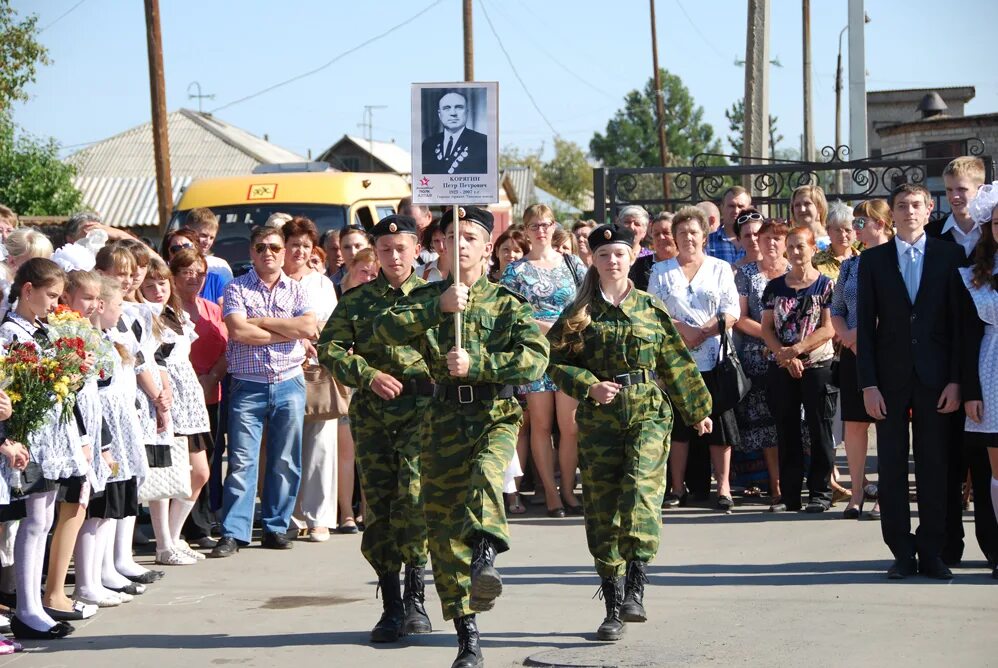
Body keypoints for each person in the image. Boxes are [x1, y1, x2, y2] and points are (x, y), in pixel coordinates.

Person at [373, 206, 548, 668]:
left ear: (488, 247)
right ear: (440, 246)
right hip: (442, 415)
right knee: (446, 532)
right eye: (452, 235)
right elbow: (384, 329)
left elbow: (535, 359)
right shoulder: (429, 297)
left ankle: (486, 553)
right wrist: (438, 307)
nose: (462, 243)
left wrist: (482, 365)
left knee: (489, 476)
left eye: (471, 235)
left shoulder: (507, 303)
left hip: (494, 411)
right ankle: (467, 636)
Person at [547, 223, 712, 642]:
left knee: (640, 492)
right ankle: (612, 604)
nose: (612, 261)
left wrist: (696, 410)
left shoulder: (649, 307)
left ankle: (636, 588)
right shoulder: (578, 312)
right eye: (603, 255)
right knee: (602, 509)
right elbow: (552, 363)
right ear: (593, 260)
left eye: (619, 253)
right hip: (599, 420)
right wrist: (588, 385)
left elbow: (675, 361)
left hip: (647, 412)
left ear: (632, 256)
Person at [319, 214, 434, 643]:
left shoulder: (433, 297)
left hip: (422, 412)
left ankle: (417, 597)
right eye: (385, 250)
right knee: (381, 506)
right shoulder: (356, 300)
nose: (393, 256)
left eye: (401, 248)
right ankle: (391, 605)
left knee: (416, 500)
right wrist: (366, 374)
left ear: (416, 247)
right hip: (374, 416)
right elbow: (328, 348)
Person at [857, 183, 965, 580]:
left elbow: (958, 326)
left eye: (916, 205)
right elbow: (865, 329)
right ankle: (901, 551)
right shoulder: (873, 261)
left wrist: (956, 381)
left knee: (935, 465)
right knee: (891, 466)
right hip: (889, 380)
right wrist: (868, 384)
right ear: (892, 214)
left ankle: (932, 549)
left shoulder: (950, 256)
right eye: (901, 206)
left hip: (937, 380)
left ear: (929, 208)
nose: (909, 212)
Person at [210, 226, 316, 558]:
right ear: (251, 252)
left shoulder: (298, 291)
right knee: (242, 461)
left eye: (273, 247)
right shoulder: (236, 287)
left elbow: (309, 328)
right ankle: (234, 532)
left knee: (285, 459)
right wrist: (287, 331)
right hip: (247, 384)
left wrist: (263, 321)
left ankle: (274, 526)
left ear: (284, 252)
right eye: (260, 247)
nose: (267, 253)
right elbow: (240, 332)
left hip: (289, 382)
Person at [1, 259, 87, 639]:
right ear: (27, 290)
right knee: (33, 521)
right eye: (50, 295)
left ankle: (32, 604)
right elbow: (9, 389)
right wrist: (9, 436)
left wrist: (75, 369)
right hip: (27, 436)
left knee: (43, 520)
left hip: (51, 436)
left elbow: (57, 383)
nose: (55, 303)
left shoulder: (42, 330)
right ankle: (27, 607)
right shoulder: (10, 333)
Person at [928, 157, 994, 568]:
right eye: (949, 189)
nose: (954, 196)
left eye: (962, 190)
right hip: (944, 365)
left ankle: (993, 547)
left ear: (980, 190)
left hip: (987, 361)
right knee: (945, 463)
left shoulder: (990, 239)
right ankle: (946, 546)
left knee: (987, 465)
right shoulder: (935, 237)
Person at [650, 206, 740, 510]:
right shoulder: (661, 271)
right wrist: (683, 331)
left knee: (719, 426)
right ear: (674, 236)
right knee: (679, 428)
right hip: (676, 361)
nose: (687, 237)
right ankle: (677, 487)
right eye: (682, 232)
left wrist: (705, 330)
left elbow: (733, 310)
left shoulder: (720, 268)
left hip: (714, 357)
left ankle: (724, 487)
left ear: (704, 235)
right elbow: (654, 312)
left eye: (693, 232)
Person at [500, 204, 586, 517]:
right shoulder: (516, 270)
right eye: (535, 225)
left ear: (554, 226)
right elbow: (509, 313)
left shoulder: (573, 263)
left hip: (567, 353)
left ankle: (568, 491)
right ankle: (550, 493)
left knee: (570, 426)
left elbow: (586, 304)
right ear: (525, 231)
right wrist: (543, 327)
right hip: (535, 354)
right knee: (540, 424)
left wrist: (567, 330)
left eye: (547, 224)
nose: (541, 230)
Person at [760, 226, 837, 513]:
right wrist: (784, 354)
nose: (795, 252)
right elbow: (767, 328)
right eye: (790, 246)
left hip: (816, 364)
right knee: (786, 428)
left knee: (819, 427)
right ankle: (790, 495)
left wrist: (799, 350)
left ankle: (820, 492)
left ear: (813, 248)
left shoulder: (825, 285)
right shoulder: (775, 287)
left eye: (800, 246)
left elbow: (829, 327)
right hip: (781, 364)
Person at [831, 199, 891, 519]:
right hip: (854, 353)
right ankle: (856, 493)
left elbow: (895, 311)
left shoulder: (894, 261)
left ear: (879, 224)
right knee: (854, 425)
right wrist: (850, 337)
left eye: (859, 223)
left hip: (885, 353)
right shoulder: (850, 266)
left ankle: (886, 493)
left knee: (885, 425)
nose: (854, 229)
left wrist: (861, 336)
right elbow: (837, 309)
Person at [281, 217, 339, 543]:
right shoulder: (272, 280)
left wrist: (310, 339)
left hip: (316, 369)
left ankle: (319, 517)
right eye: (294, 244)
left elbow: (331, 325)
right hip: (279, 370)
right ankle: (291, 516)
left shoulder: (321, 283)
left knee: (320, 443)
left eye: (306, 245)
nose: (300, 251)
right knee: (286, 445)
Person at [170, 249, 227, 549]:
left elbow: (227, 348)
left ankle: (200, 524)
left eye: (199, 272)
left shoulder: (213, 309)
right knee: (183, 465)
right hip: (180, 397)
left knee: (209, 461)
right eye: (187, 272)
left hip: (212, 392)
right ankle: (174, 529)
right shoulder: (169, 311)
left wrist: (212, 378)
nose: (194, 277)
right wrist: (194, 383)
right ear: (175, 277)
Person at [731, 213, 786, 498]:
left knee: (800, 421)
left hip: (796, 354)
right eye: (765, 239)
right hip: (759, 355)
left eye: (777, 238)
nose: (771, 244)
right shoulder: (746, 274)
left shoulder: (797, 269)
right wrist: (772, 338)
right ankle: (775, 486)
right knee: (767, 426)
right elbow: (739, 318)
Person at [960, 181, 998, 579]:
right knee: (993, 470)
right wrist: (970, 389)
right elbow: (967, 336)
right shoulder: (977, 274)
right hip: (991, 370)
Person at [421, 90, 488, 175]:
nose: (453, 113)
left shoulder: (483, 142)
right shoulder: (428, 144)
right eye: (447, 108)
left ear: (467, 112)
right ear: (439, 114)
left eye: (459, 107)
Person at [161, 229, 226, 304]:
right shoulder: (163, 283)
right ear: (168, 255)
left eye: (187, 246)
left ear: (196, 248)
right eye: (176, 249)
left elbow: (224, 313)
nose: (183, 252)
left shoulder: (216, 281)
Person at [629, 211, 677, 291]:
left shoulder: (685, 263)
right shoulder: (639, 266)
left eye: (666, 233)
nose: (661, 237)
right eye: (656, 234)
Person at [184, 207, 234, 283]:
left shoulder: (220, 266)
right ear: (188, 230)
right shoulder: (174, 263)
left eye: (211, 238)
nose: (207, 242)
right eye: (203, 235)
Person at [813, 201, 859, 280]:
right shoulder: (816, 261)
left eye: (848, 230)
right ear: (828, 230)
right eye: (838, 230)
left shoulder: (864, 260)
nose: (843, 235)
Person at [706, 187, 750, 264]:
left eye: (741, 206)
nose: (736, 211)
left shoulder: (758, 241)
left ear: (749, 209)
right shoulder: (707, 242)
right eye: (731, 206)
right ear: (722, 208)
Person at [331, 225, 371, 293]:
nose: (353, 252)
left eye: (358, 246)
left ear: (369, 246)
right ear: (341, 249)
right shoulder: (332, 284)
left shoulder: (383, 276)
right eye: (347, 247)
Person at [399, 197, 437, 266]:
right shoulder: (393, 251)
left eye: (418, 227)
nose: (413, 233)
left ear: (429, 216)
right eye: (405, 228)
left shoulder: (443, 246)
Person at [790, 184, 830, 250]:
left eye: (807, 204)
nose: (802, 209)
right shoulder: (789, 240)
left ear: (819, 207)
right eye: (797, 205)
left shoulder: (832, 239)